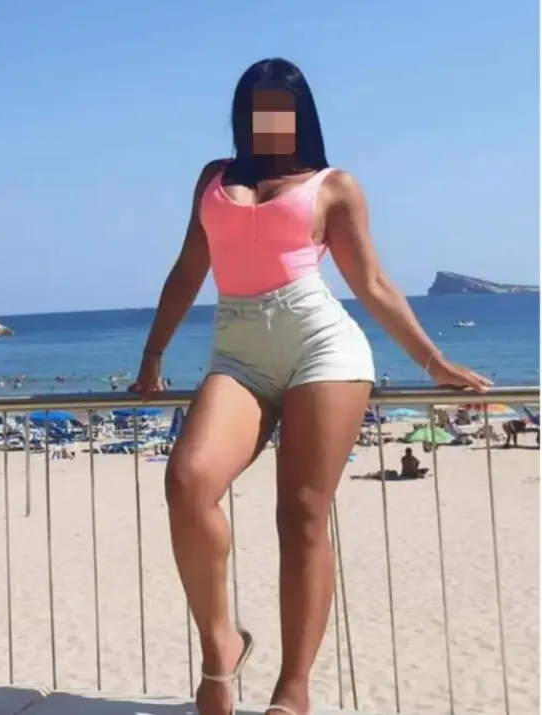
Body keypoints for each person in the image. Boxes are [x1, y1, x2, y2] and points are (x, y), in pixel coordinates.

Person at [128, 58, 490, 715]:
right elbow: (188, 267)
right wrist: (152, 354)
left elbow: (372, 284)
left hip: (322, 345)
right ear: (242, 112)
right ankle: (221, 643)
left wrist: (433, 361)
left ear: (302, 114)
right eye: (258, 107)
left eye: (283, 108)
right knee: (186, 481)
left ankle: (292, 690)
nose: (270, 120)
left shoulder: (333, 185)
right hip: (238, 352)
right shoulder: (214, 178)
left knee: (299, 514)